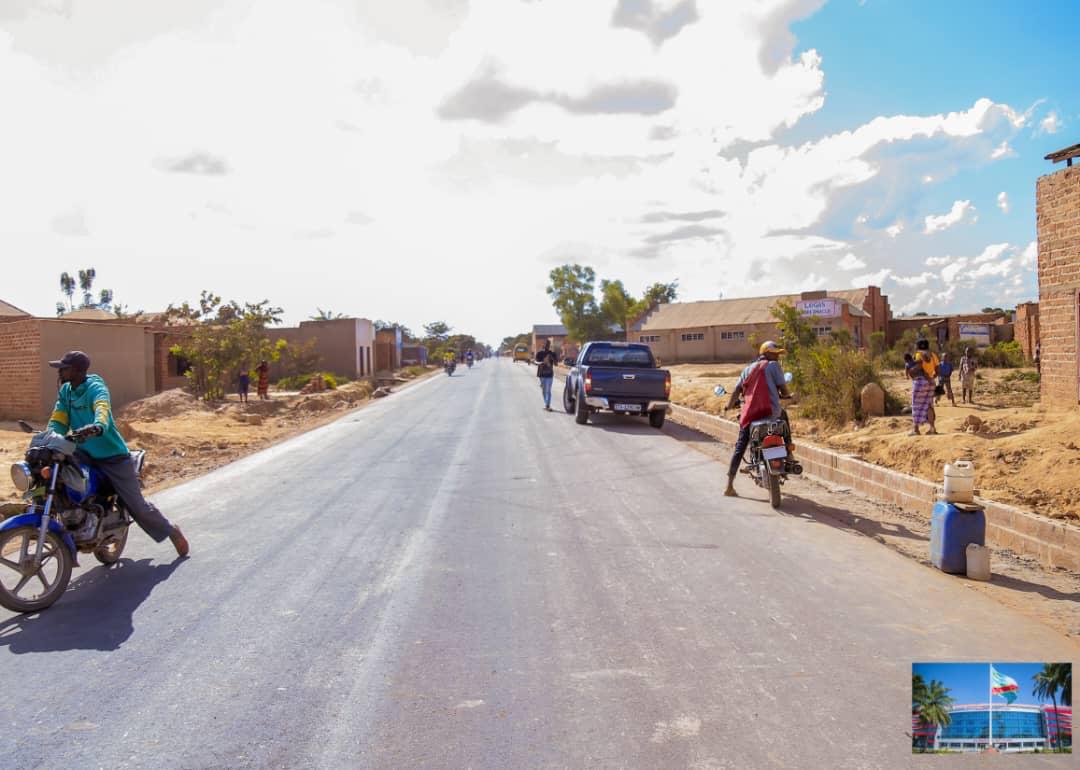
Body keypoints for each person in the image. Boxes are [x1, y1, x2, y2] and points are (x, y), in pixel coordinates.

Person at [46, 351, 189, 557]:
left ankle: (171, 531)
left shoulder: (96, 387)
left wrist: (97, 426)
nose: (60, 371)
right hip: (83, 452)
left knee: (137, 506)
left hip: (112, 456)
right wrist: (50, 438)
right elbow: (58, 420)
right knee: (57, 475)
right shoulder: (66, 391)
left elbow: (102, 408)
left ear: (77, 370)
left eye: (64, 367)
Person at [721, 341, 792, 497]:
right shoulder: (773, 366)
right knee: (784, 419)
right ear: (766, 353)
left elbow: (736, 390)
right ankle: (790, 453)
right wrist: (787, 396)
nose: (777, 357)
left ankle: (729, 486)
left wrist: (728, 406)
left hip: (751, 416)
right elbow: (783, 387)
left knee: (740, 447)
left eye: (777, 354)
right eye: (775, 354)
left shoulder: (747, 370)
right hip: (771, 413)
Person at [906, 352, 936, 435]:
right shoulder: (932, 356)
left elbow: (919, 366)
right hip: (931, 382)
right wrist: (930, 379)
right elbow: (937, 370)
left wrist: (912, 369)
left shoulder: (919, 356)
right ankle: (932, 429)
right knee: (929, 405)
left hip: (920, 383)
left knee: (916, 406)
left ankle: (916, 430)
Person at [535, 339, 556, 411]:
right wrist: (541, 362)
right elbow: (535, 362)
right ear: (543, 345)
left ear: (550, 345)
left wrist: (552, 358)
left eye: (548, 344)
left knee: (548, 390)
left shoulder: (552, 353)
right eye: (545, 344)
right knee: (544, 390)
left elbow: (556, 363)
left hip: (550, 375)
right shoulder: (539, 353)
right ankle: (546, 403)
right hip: (542, 374)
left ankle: (547, 405)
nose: (547, 346)